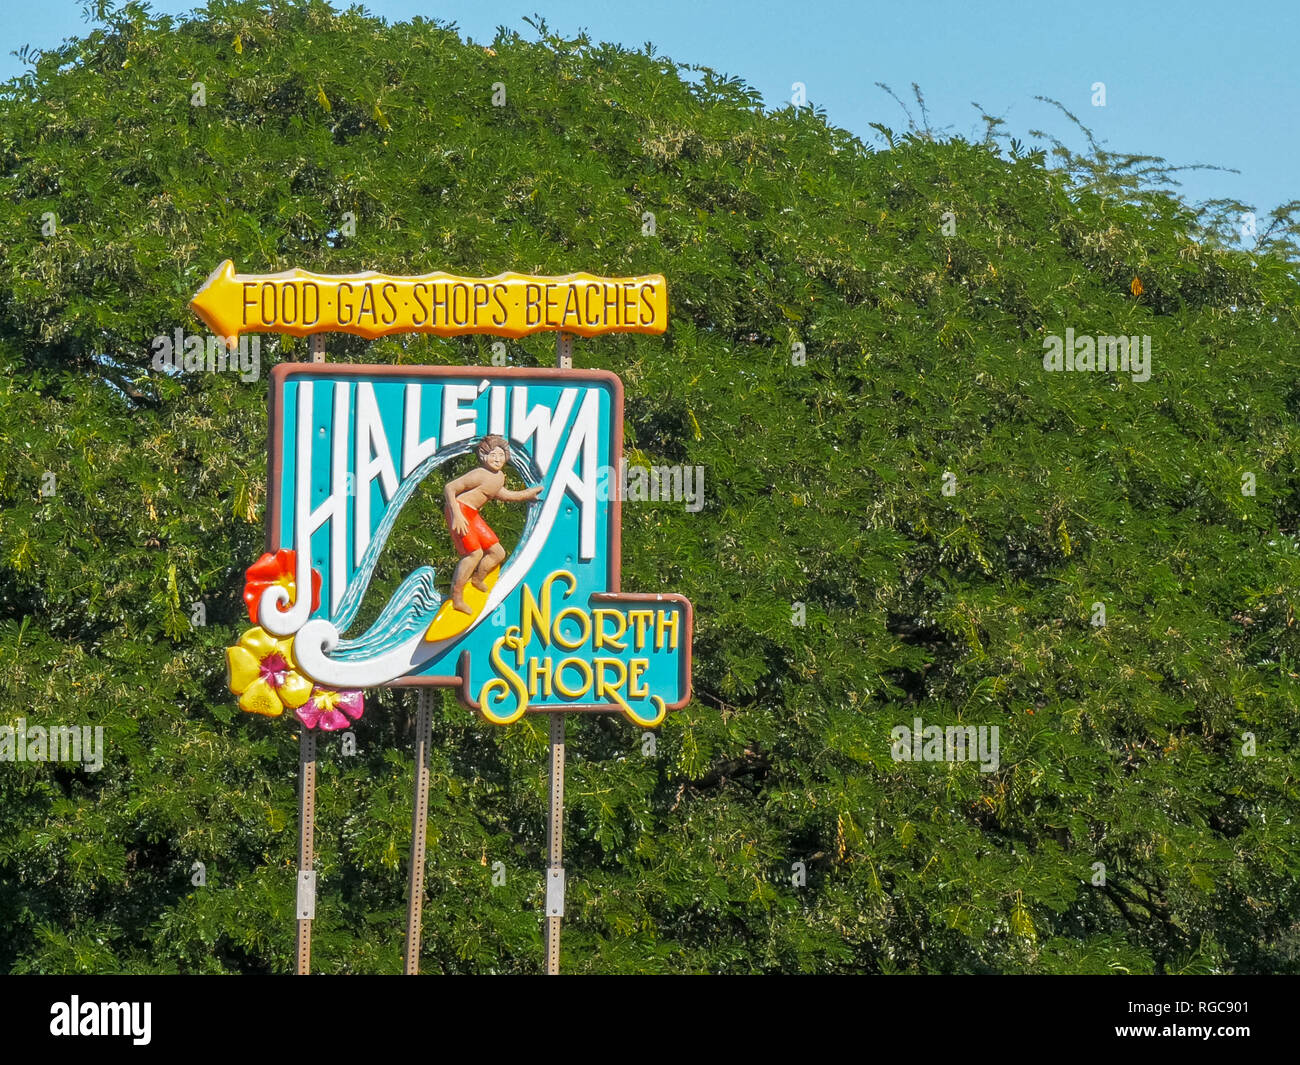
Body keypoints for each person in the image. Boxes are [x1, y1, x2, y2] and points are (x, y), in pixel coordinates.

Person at [443, 434, 542, 613]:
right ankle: (457, 597)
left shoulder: (499, 477)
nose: (497, 459)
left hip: (472, 513)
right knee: (474, 553)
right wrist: (456, 514)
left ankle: (477, 579)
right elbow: (450, 488)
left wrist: (527, 495)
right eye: (493, 455)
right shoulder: (479, 473)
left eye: (501, 455)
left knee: (498, 552)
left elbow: (505, 494)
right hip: (459, 510)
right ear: (483, 456)